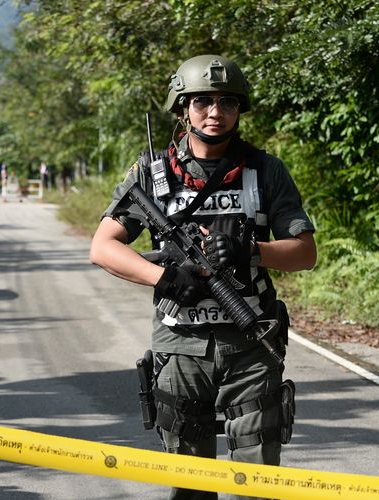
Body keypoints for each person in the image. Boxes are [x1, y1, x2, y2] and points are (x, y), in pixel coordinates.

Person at [89, 55, 316, 500]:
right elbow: (103, 247)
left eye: (227, 102)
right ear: (182, 107)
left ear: (240, 108)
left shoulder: (266, 171)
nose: (215, 112)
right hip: (180, 348)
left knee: (257, 484)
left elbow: (304, 253)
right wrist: (164, 279)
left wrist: (251, 249)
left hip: (252, 345)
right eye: (202, 102)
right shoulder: (152, 176)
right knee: (189, 486)